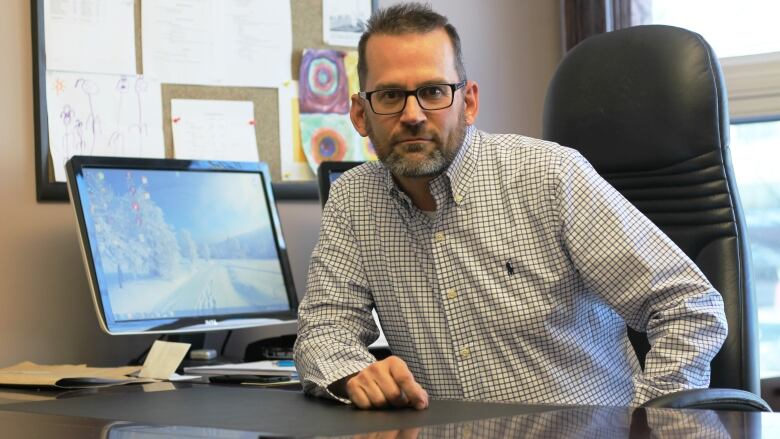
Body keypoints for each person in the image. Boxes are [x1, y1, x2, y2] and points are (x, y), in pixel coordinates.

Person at [294, 3, 727, 411]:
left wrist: (649, 422)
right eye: (390, 96)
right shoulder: (354, 200)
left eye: (432, 91)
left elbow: (688, 307)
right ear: (359, 113)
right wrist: (354, 375)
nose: (412, 114)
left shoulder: (549, 176)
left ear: (468, 103)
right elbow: (324, 329)